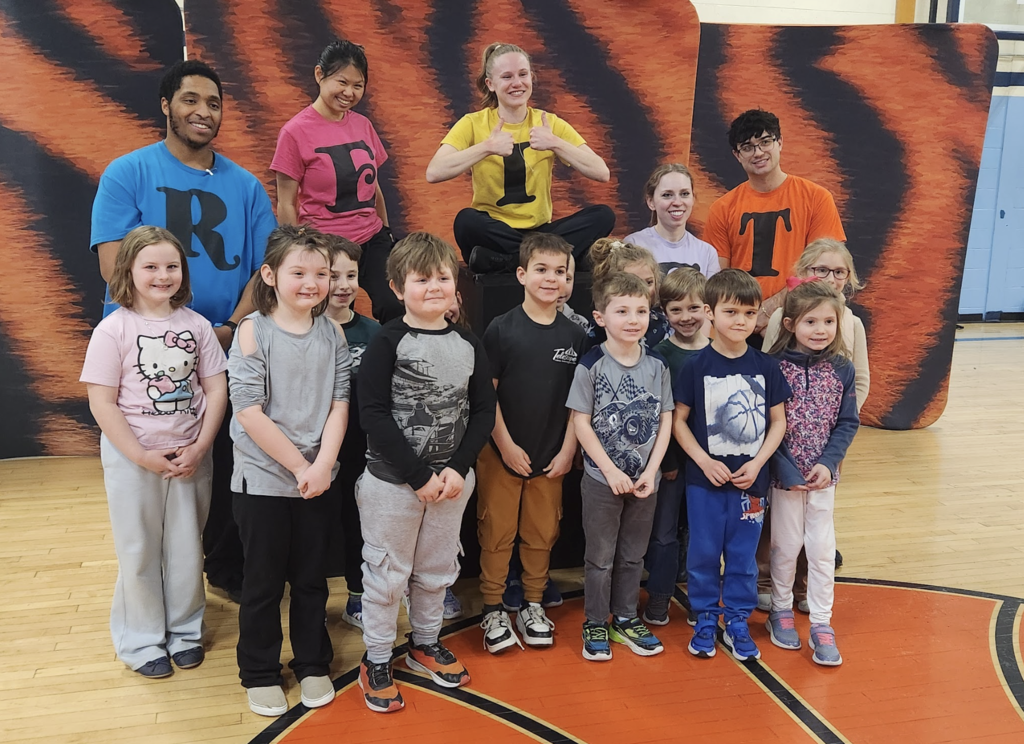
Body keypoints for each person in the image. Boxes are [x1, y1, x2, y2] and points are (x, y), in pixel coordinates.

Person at [91, 59, 278, 604]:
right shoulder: (127, 173)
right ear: (166, 106)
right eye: (191, 99)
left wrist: (230, 328)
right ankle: (152, 598)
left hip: (226, 346)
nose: (203, 111)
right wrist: (174, 330)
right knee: (150, 478)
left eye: (214, 103)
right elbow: (112, 263)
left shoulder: (245, 186)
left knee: (221, 461)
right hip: (145, 354)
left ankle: (221, 569)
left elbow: (265, 270)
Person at [355, 233, 496, 713]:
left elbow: (483, 410)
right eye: (421, 279)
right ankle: (377, 658)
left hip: (452, 483)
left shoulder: (468, 342)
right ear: (397, 288)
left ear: (456, 284)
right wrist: (417, 476)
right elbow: (373, 414)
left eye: (442, 277)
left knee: (436, 569)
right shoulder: (387, 341)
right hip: (393, 484)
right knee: (387, 574)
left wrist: (458, 467)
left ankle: (426, 642)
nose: (434, 287)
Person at [81, 225, 228, 678]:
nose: (162, 275)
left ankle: (184, 632)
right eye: (150, 266)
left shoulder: (197, 326)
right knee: (139, 548)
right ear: (128, 269)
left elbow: (216, 389)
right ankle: (142, 641)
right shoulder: (113, 330)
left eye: (171, 266)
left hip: (189, 459)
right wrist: (140, 455)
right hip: (134, 460)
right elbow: (102, 402)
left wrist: (200, 446)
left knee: (186, 548)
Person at [228, 225, 352, 717]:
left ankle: (312, 662)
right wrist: (300, 465)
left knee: (311, 579)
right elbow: (248, 410)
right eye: (298, 272)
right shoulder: (253, 330)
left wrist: (321, 467)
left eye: (321, 274)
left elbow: (340, 403)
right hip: (263, 481)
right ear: (270, 275)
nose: (311, 283)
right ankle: (259, 670)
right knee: (262, 583)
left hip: (317, 481)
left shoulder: (333, 332)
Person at [672, 269, 790, 662]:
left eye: (750, 313)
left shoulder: (766, 366)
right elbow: (678, 421)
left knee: (742, 556)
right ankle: (706, 617)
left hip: (750, 483)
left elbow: (778, 422)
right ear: (709, 312)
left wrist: (758, 463)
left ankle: (737, 619)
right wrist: (703, 460)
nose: (741, 321)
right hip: (704, 483)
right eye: (731, 312)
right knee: (703, 553)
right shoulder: (695, 366)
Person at [477, 233, 585, 653]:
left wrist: (568, 450)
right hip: (501, 454)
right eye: (542, 269)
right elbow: (486, 397)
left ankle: (533, 604)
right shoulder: (501, 329)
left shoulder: (575, 336)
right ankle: (492, 607)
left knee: (542, 533)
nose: (551, 278)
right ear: (522, 274)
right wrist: (504, 445)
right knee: (496, 533)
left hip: (550, 456)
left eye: (560, 271)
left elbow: (579, 404)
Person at [425, 42, 614, 273]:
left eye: (523, 74)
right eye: (507, 77)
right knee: (466, 221)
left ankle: (510, 261)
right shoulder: (472, 123)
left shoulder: (549, 123)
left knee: (603, 216)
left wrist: (555, 143)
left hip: (540, 232)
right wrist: (486, 147)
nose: (517, 83)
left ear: (532, 78)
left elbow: (601, 172)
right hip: (495, 233)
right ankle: (542, 258)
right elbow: (434, 172)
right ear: (490, 84)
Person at [757, 238, 870, 610]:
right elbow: (769, 394)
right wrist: (784, 463)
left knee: (819, 532)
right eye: (822, 269)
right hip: (783, 457)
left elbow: (858, 385)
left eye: (839, 271)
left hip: (828, 446)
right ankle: (771, 588)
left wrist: (833, 443)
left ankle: (807, 592)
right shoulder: (780, 334)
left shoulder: (850, 331)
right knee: (781, 530)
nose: (830, 277)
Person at [567, 272, 674, 662]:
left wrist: (651, 471)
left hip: (646, 480)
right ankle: (596, 620)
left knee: (633, 555)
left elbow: (665, 418)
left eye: (641, 311)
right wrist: (610, 471)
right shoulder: (591, 364)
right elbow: (580, 422)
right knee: (600, 557)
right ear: (601, 317)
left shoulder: (658, 365)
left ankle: (626, 617)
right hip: (601, 480)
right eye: (623, 311)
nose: (633, 319)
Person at [271, 39, 403, 324]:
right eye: (342, 82)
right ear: (320, 75)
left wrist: (386, 231)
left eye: (358, 85)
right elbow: (286, 202)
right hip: (325, 243)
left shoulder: (363, 125)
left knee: (395, 304)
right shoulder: (294, 132)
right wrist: (296, 252)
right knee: (329, 319)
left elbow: (373, 186)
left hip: (371, 237)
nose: (349, 93)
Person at [765, 280, 859, 665]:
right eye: (811, 322)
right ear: (790, 324)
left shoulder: (842, 369)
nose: (820, 330)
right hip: (784, 480)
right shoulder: (773, 367)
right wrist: (787, 469)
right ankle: (780, 609)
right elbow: (767, 425)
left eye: (828, 322)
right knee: (785, 546)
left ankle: (822, 621)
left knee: (821, 551)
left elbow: (847, 423)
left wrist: (827, 463)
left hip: (822, 479)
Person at [703, 109, 846, 343]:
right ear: (737, 155)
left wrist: (769, 310)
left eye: (765, 142)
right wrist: (747, 317)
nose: (758, 152)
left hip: (802, 325)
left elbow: (825, 274)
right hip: (742, 330)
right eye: (747, 147)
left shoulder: (816, 198)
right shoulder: (722, 208)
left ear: (780, 142)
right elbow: (718, 280)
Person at [321, 236, 381, 631]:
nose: (344, 285)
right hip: (318, 446)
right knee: (321, 522)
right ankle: (314, 598)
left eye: (351, 276)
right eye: (333, 276)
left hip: (363, 445)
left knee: (360, 519)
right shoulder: (306, 330)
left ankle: (359, 594)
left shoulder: (374, 332)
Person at [643, 268, 709, 626]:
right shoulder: (659, 356)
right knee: (664, 533)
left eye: (694, 308)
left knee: (701, 532)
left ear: (707, 308)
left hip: (708, 463)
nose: (686, 317)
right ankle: (659, 595)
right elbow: (658, 414)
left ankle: (701, 598)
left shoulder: (716, 353)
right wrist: (666, 460)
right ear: (664, 312)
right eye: (676, 310)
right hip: (670, 463)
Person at [626, 163, 721, 278]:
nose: (677, 202)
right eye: (667, 195)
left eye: (684, 194)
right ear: (651, 202)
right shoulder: (633, 245)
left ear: (693, 198)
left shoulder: (707, 253)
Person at [584, 239, 669, 350]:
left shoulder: (661, 322)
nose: (644, 290)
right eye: (633, 283)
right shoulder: (600, 328)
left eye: (649, 282)